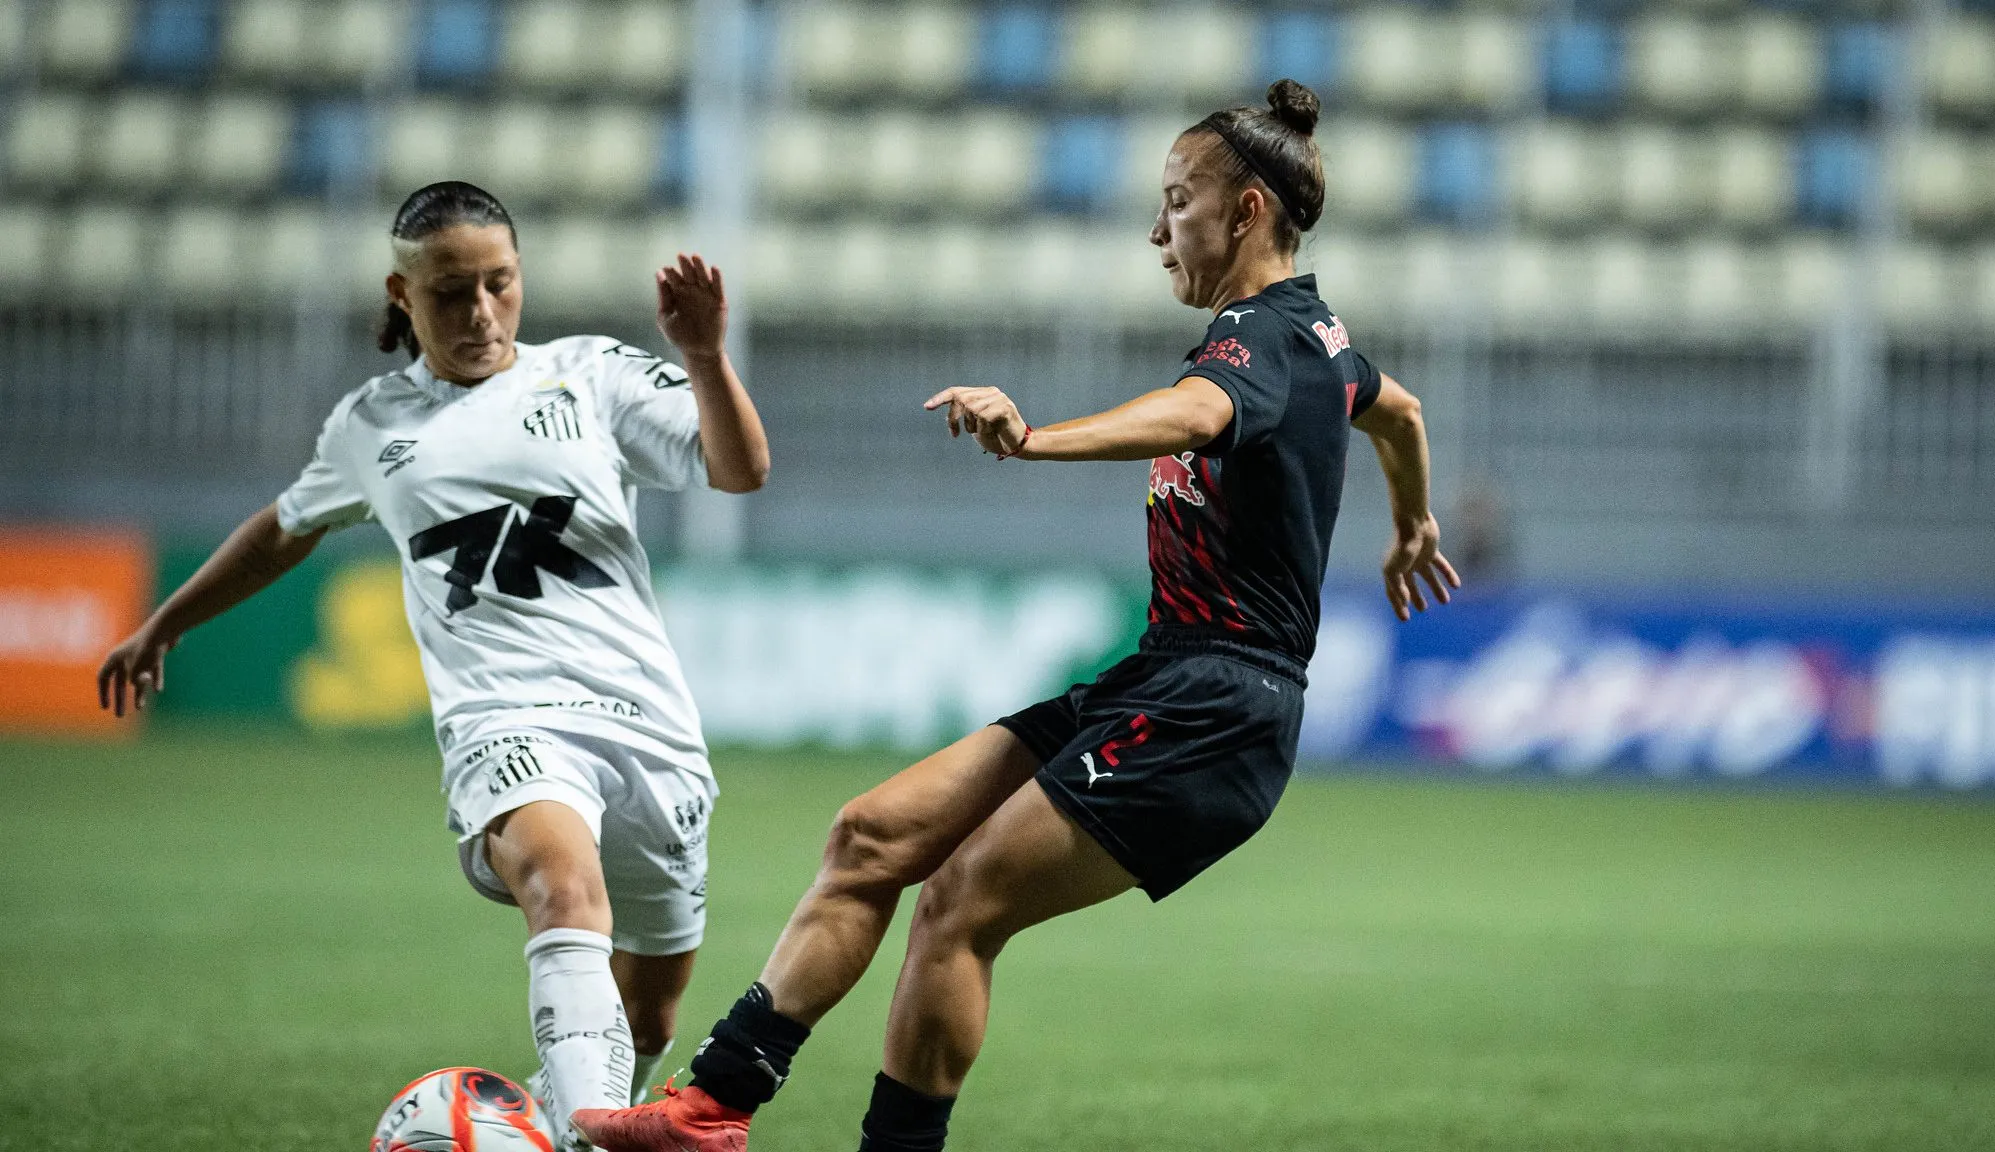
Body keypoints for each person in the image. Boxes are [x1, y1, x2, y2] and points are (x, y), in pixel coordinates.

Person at [572, 79, 1457, 1152]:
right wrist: (1409, 520)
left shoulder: (1259, 343)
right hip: (1165, 680)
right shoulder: (1319, 338)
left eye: (1175, 200)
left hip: (1216, 709)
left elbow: (1194, 411)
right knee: (870, 835)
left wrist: (1033, 436)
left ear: (1247, 211)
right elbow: (1396, 411)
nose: (1155, 228)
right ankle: (710, 1110)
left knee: (956, 905)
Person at [95, 182, 770, 1150]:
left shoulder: (590, 374)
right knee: (559, 882)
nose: (481, 312)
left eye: (500, 283)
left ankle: (557, 1114)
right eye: (452, 292)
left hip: (646, 724)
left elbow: (739, 468)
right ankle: (587, 1129)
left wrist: (702, 354)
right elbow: (282, 530)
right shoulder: (370, 426)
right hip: (505, 717)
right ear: (401, 294)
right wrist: (166, 622)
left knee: (650, 1018)